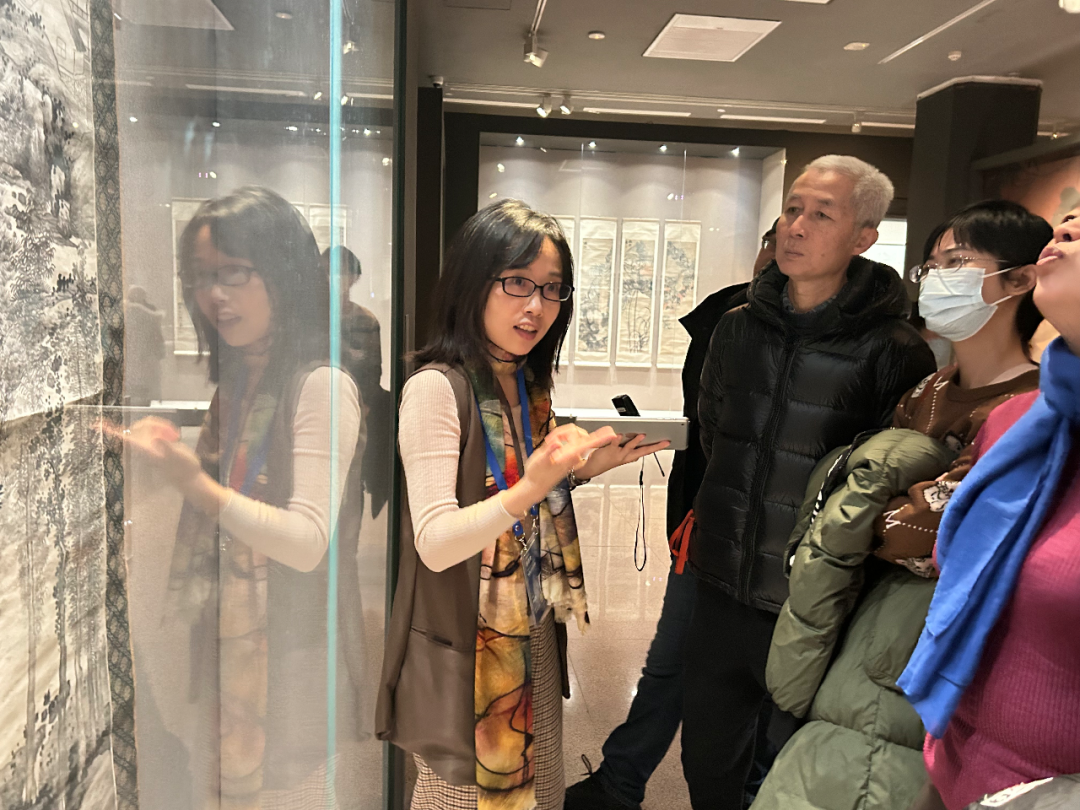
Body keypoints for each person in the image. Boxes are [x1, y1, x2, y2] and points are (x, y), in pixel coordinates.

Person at [752, 200, 1050, 810]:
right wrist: (877, 506)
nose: (937, 279)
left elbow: (931, 535)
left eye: (958, 263)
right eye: (932, 266)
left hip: (931, 641)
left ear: (1019, 280)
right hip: (866, 624)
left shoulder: (1031, 406)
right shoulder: (929, 390)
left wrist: (867, 511)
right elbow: (868, 497)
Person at [375, 199, 667, 810]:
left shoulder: (526, 383)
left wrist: (580, 472)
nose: (535, 305)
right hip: (468, 645)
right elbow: (436, 542)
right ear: (472, 282)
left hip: (532, 625)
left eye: (552, 288)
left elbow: (519, 494)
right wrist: (531, 489)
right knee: (462, 797)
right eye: (516, 282)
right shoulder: (436, 389)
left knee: (541, 789)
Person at [681, 155, 937, 809]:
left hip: (815, 603)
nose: (794, 226)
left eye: (821, 214)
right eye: (792, 209)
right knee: (706, 759)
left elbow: (892, 477)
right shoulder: (736, 327)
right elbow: (715, 435)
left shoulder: (894, 348)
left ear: (863, 237)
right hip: (721, 583)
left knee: (797, 773)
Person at [106, 187, 368, 807]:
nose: (214, 295)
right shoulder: (241, 381)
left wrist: (195, 485)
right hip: (232, 633)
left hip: (294, 647)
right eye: (200, 277)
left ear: (282, 271)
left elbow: (307, 543)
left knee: (291, 793)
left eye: (234, 273)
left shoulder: (321, 384)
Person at [564, 220, 778, 810]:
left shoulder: (869, 341)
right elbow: (708, 429)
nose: (783, 246)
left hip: (787, 547)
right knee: (672, 659)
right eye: (774, 235)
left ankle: (743, 790)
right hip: (707, 525)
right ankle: (621, 779)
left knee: (766, 684)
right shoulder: (725, 320)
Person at [901, 205, 1080, 809]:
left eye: (955, 263)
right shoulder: (1017, 420)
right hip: (956, 763)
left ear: (1017, 280)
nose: (1068, 224)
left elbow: (908, 532)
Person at [322, 245, 393, 516]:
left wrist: (363, 411)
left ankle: (347, 543)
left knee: (351, 488)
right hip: (315, 410)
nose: (335, 278)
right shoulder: (310, 319)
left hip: (353, 414)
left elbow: (373, 370)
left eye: (343, 272)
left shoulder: (365, 320)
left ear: (354, 277)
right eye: (329, 271)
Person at [124, 285, 166, 405]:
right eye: (134, 294)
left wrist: (159, 349)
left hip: (147, 353)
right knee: (135, 382)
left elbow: (156, 332)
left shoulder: (149, 310)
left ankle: (146, 402)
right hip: (133, 352)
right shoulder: (128, 310)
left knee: (147, 383)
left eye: (139, 294)